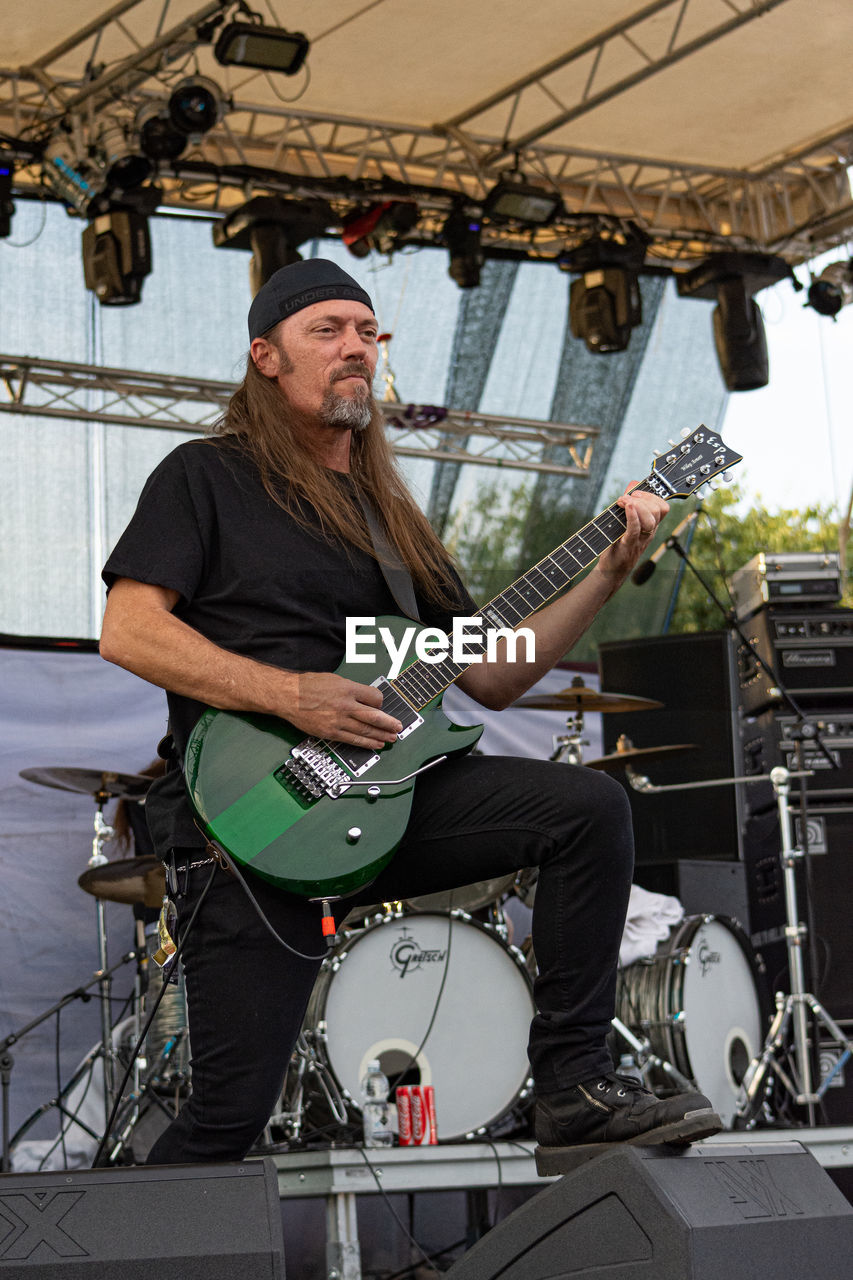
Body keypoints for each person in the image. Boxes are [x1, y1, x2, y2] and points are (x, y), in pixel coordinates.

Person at [99, 258, 722, 1170]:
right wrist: (288, 693)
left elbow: (493, 677)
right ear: (265, 357)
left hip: (389, 793)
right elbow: (128, 632)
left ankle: (573, 1084)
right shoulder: (204, 477)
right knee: (228, 1116)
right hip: (249, 817)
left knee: (586, 810)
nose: (355, 345)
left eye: (368, 330)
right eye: (328, 330)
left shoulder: (392, 519)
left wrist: (605, 574)